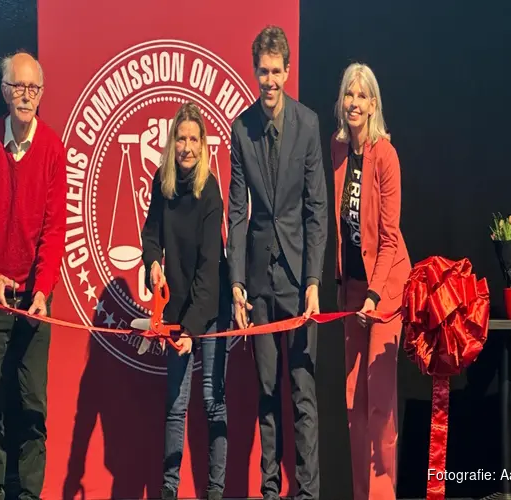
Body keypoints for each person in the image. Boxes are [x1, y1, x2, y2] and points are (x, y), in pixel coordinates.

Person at [226, 25, 328, 500]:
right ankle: (270, 492)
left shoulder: (308, 125)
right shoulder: (240, 128)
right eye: (261, 71)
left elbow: (315, 210)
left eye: (275, 71)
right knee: (267, 394)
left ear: (287, 72)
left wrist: (312, 280)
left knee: (303, 395)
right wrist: (237, 283)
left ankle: (307, 492)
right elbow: (239, 211)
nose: (268, 80)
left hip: (297, 279)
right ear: (255, 72)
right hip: (260, 283)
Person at [0, 50, 67, 500]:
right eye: (18, 87)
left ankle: (28, 495)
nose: (26, 96)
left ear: (41, 94)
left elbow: (55, 229)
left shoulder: (52, 148)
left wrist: (41, 291)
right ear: (5, 93)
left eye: (33, 89)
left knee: (31, 407)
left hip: (35, 302)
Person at [140, 101, 231, 500]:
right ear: (172, 141)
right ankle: (169, 492)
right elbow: (150, 236)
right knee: (176, 406)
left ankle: (214, 492)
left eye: (194, 139)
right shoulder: (164, 181)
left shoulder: (210, 191)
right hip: (176, 310)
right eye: (181, 138)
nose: (187, 146)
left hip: (209, 310)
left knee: (212, 400)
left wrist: (192, 330)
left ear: (204, 144)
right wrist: (152, 265)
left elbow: (210, 271)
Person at [331, 62, 412, 500]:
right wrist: (348, 288)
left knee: (379, 404)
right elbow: (343, 229)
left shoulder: (386, 155)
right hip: (354, 291)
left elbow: (388, 235)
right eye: (349, 95)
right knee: (353, 404)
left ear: (374, 103)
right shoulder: (338, 149)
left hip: (387, 288)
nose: (354, 103)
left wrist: (377, 295)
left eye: (362, 96)